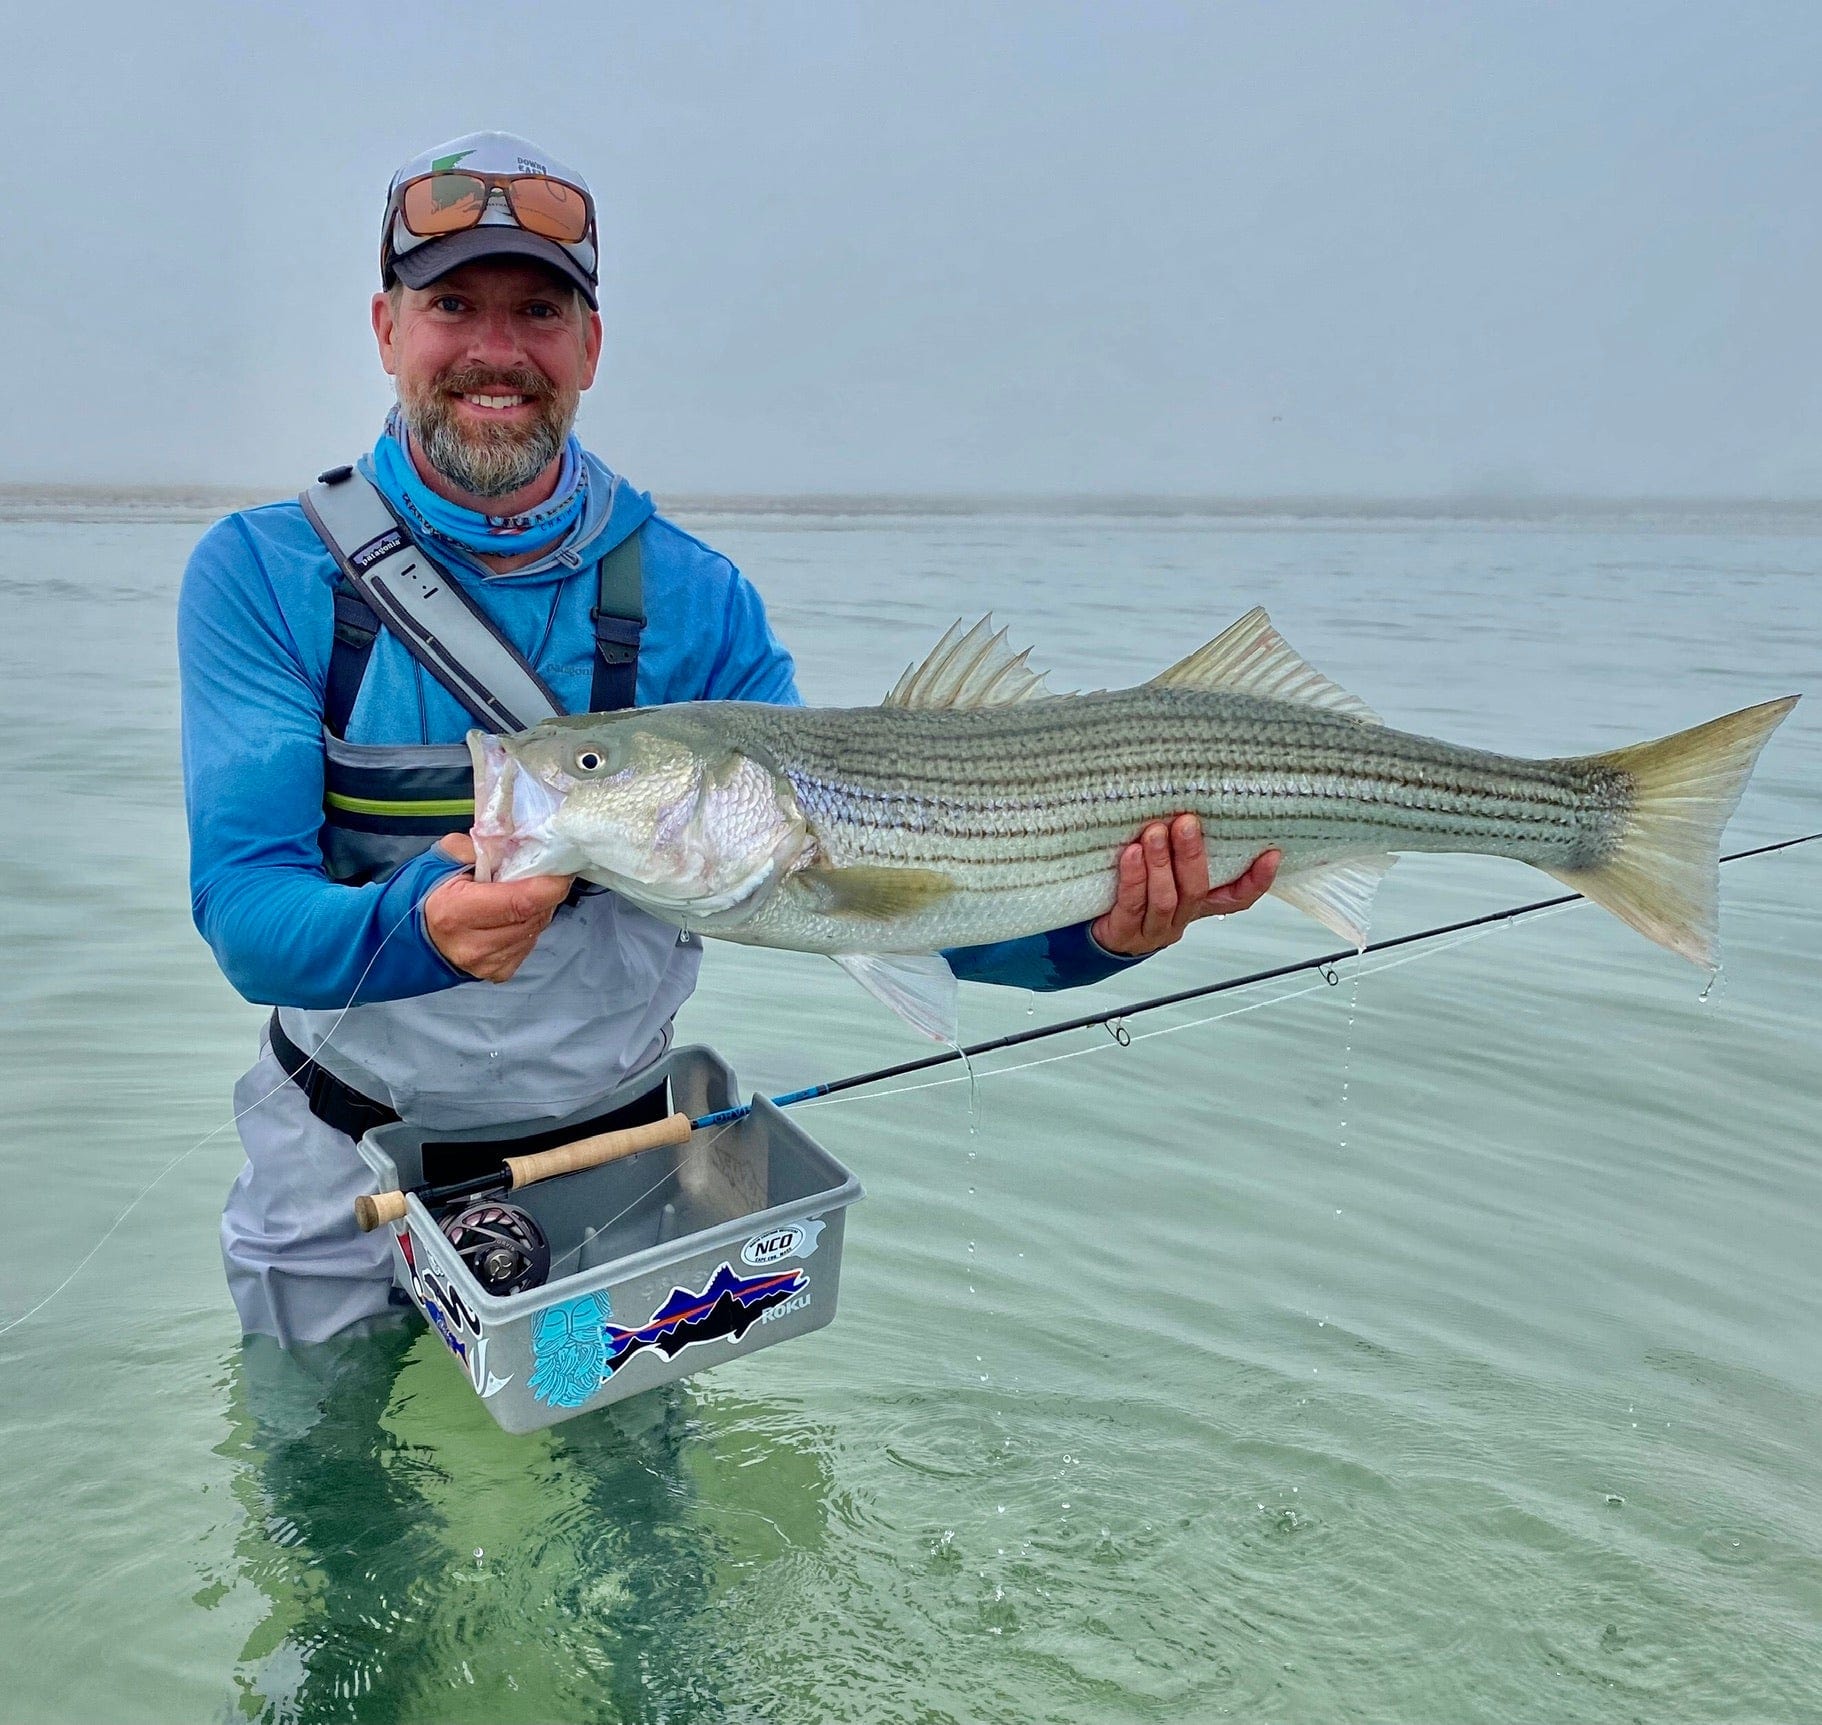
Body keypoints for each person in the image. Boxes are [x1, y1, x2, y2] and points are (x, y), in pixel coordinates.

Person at [179, 131, 1280, 1349]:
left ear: (589, 346)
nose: (496, 349)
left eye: (538, 309)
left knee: (634, 1527)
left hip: (622, 1153)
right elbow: (245, 910)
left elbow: (892, 902)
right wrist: (420, 930)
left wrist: (1094, 942)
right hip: (337, 1154)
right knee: (321, 1508)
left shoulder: (698, 601)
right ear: (387, 329)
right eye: (452, 305)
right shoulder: (263, 575)